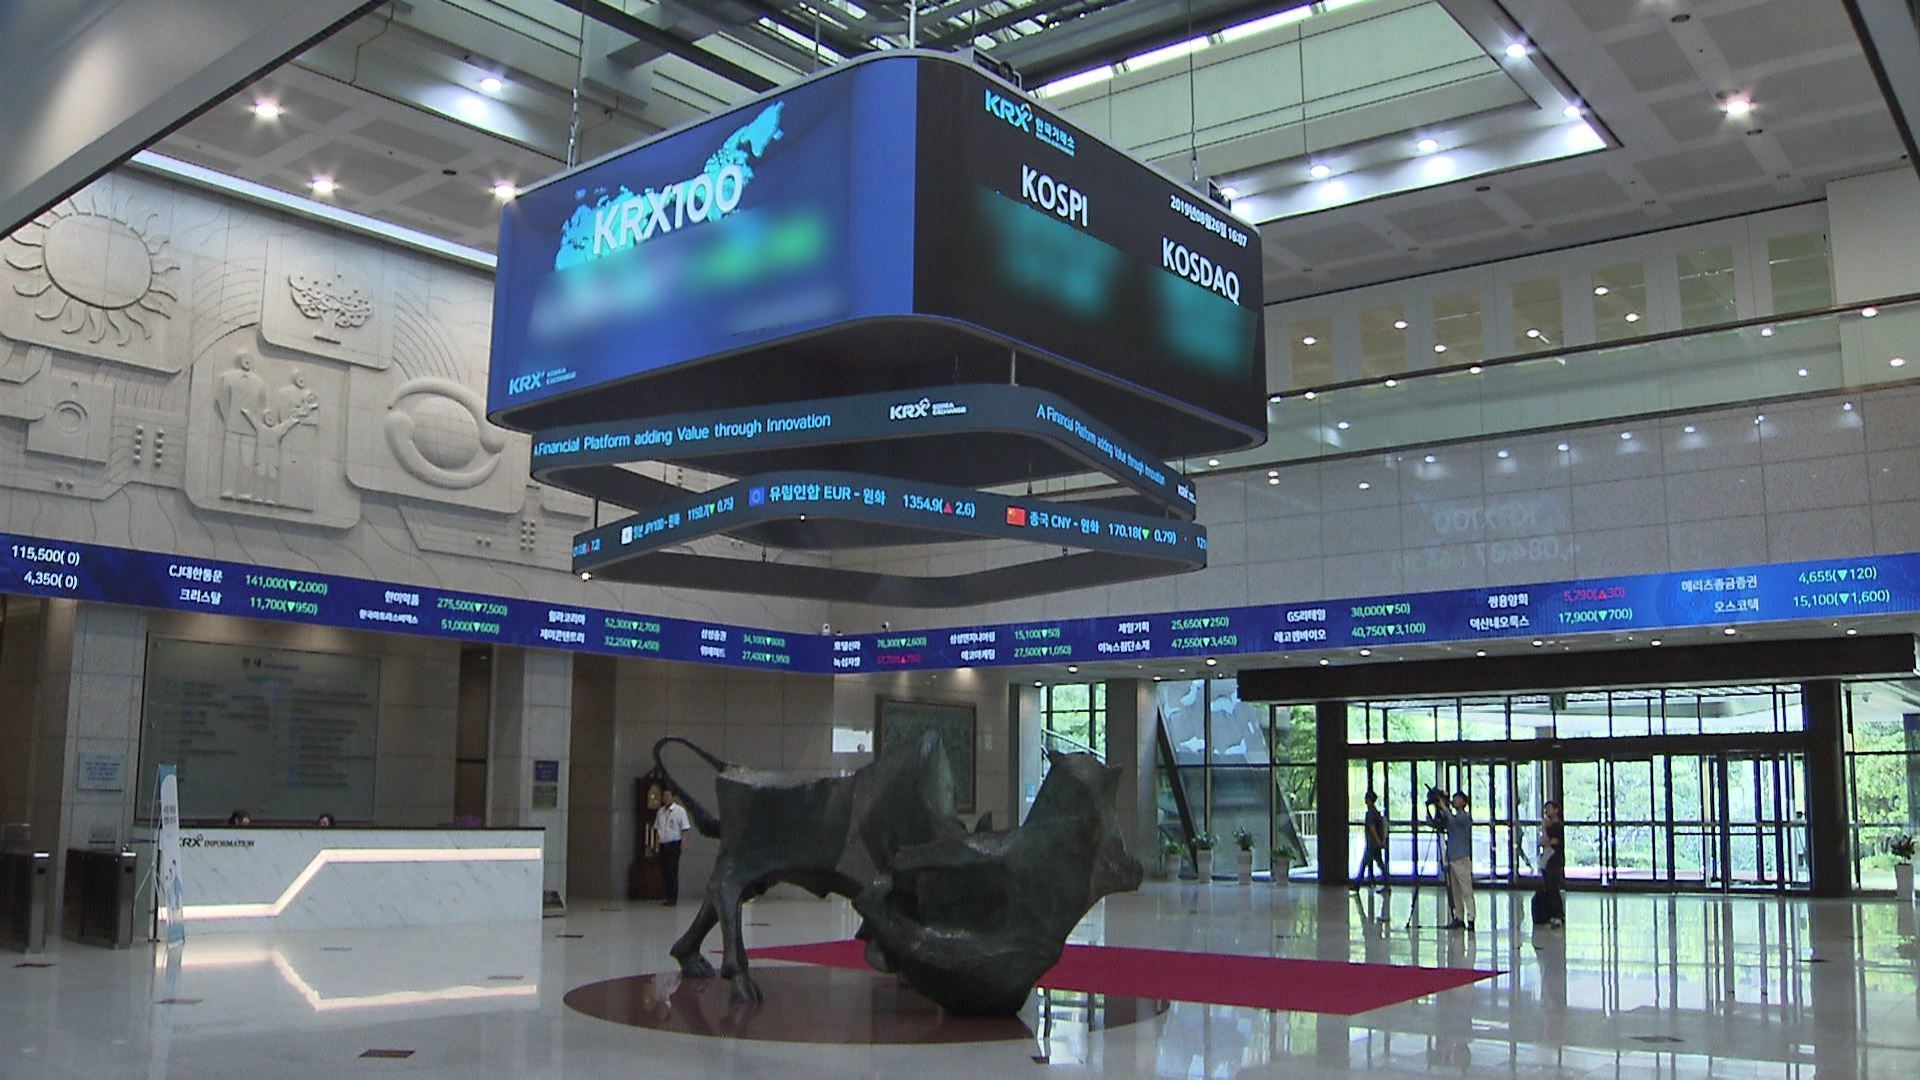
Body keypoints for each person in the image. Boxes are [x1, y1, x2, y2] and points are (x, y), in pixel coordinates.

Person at [1429, 789, 1475, 932]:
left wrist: (1444, 807)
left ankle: (1471, 918)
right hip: (1451, 857)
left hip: (1462, 858)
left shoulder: (1465, 817)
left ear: (1464, 802)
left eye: (1457, 799)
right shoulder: (1451, 817)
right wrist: (1435, 809)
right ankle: (1459, 917)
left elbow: (1454, 822)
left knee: (1466, 890)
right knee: (1455, 891)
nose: (1454, 801)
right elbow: (1438, 824)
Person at [654, 788, 692, 907]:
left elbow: (684, 828)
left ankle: (672, 898)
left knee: (672, 871)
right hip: (663, 844)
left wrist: (683, 843)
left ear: (673, 797)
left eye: (668, 796)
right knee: (664, 871)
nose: (665, 798)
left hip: (674, 844)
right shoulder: (660, 811)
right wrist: (656, 844)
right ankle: (667, 896)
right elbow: (657, 829)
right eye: (664, 796)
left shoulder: (680, 811)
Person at [1533, 801, 1565, 929]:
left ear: (1556, 810)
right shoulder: (1550, 826)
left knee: (1553, 887)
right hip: (1547, 860)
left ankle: (1558, 915)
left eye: (1549, 808)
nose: (1547, 811)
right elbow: (1542, 842)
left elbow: (1548, 841)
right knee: (1549, 887)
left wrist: (1545, 829)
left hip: (1554, 860)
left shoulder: (1557, 827)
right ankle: (1552, 914)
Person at [1355, 791, 1389, 891]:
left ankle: (1357, 885)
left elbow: (1372, 828)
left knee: (1364, 864)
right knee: (1380, 864)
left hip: (1372, 844)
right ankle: (1387, 884)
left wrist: (1378, 841)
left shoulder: (1370, 813)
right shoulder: (1376, 812)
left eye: (1366, 798)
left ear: (1369, 800)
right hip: (1375, 843)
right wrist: (1380, 842)